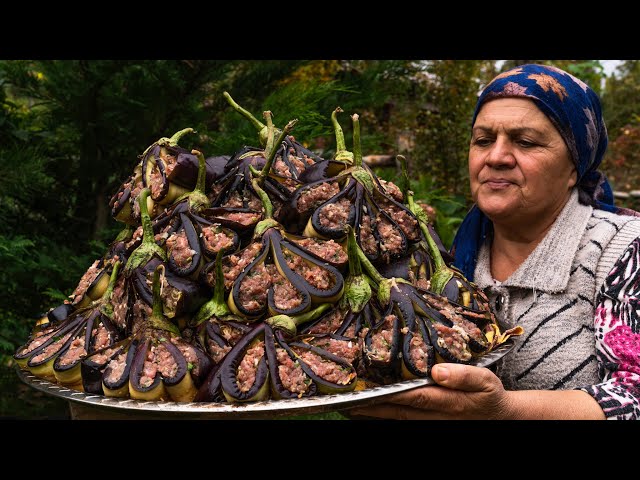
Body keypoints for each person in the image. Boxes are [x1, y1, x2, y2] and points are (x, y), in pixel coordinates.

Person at [351, 63, 640, 420]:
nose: (496, 157)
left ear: (573, 168)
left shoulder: (621, 249)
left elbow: (634, 397)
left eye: (525, 142)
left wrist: (505, 411)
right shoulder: (446, 260)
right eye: (483, 140)